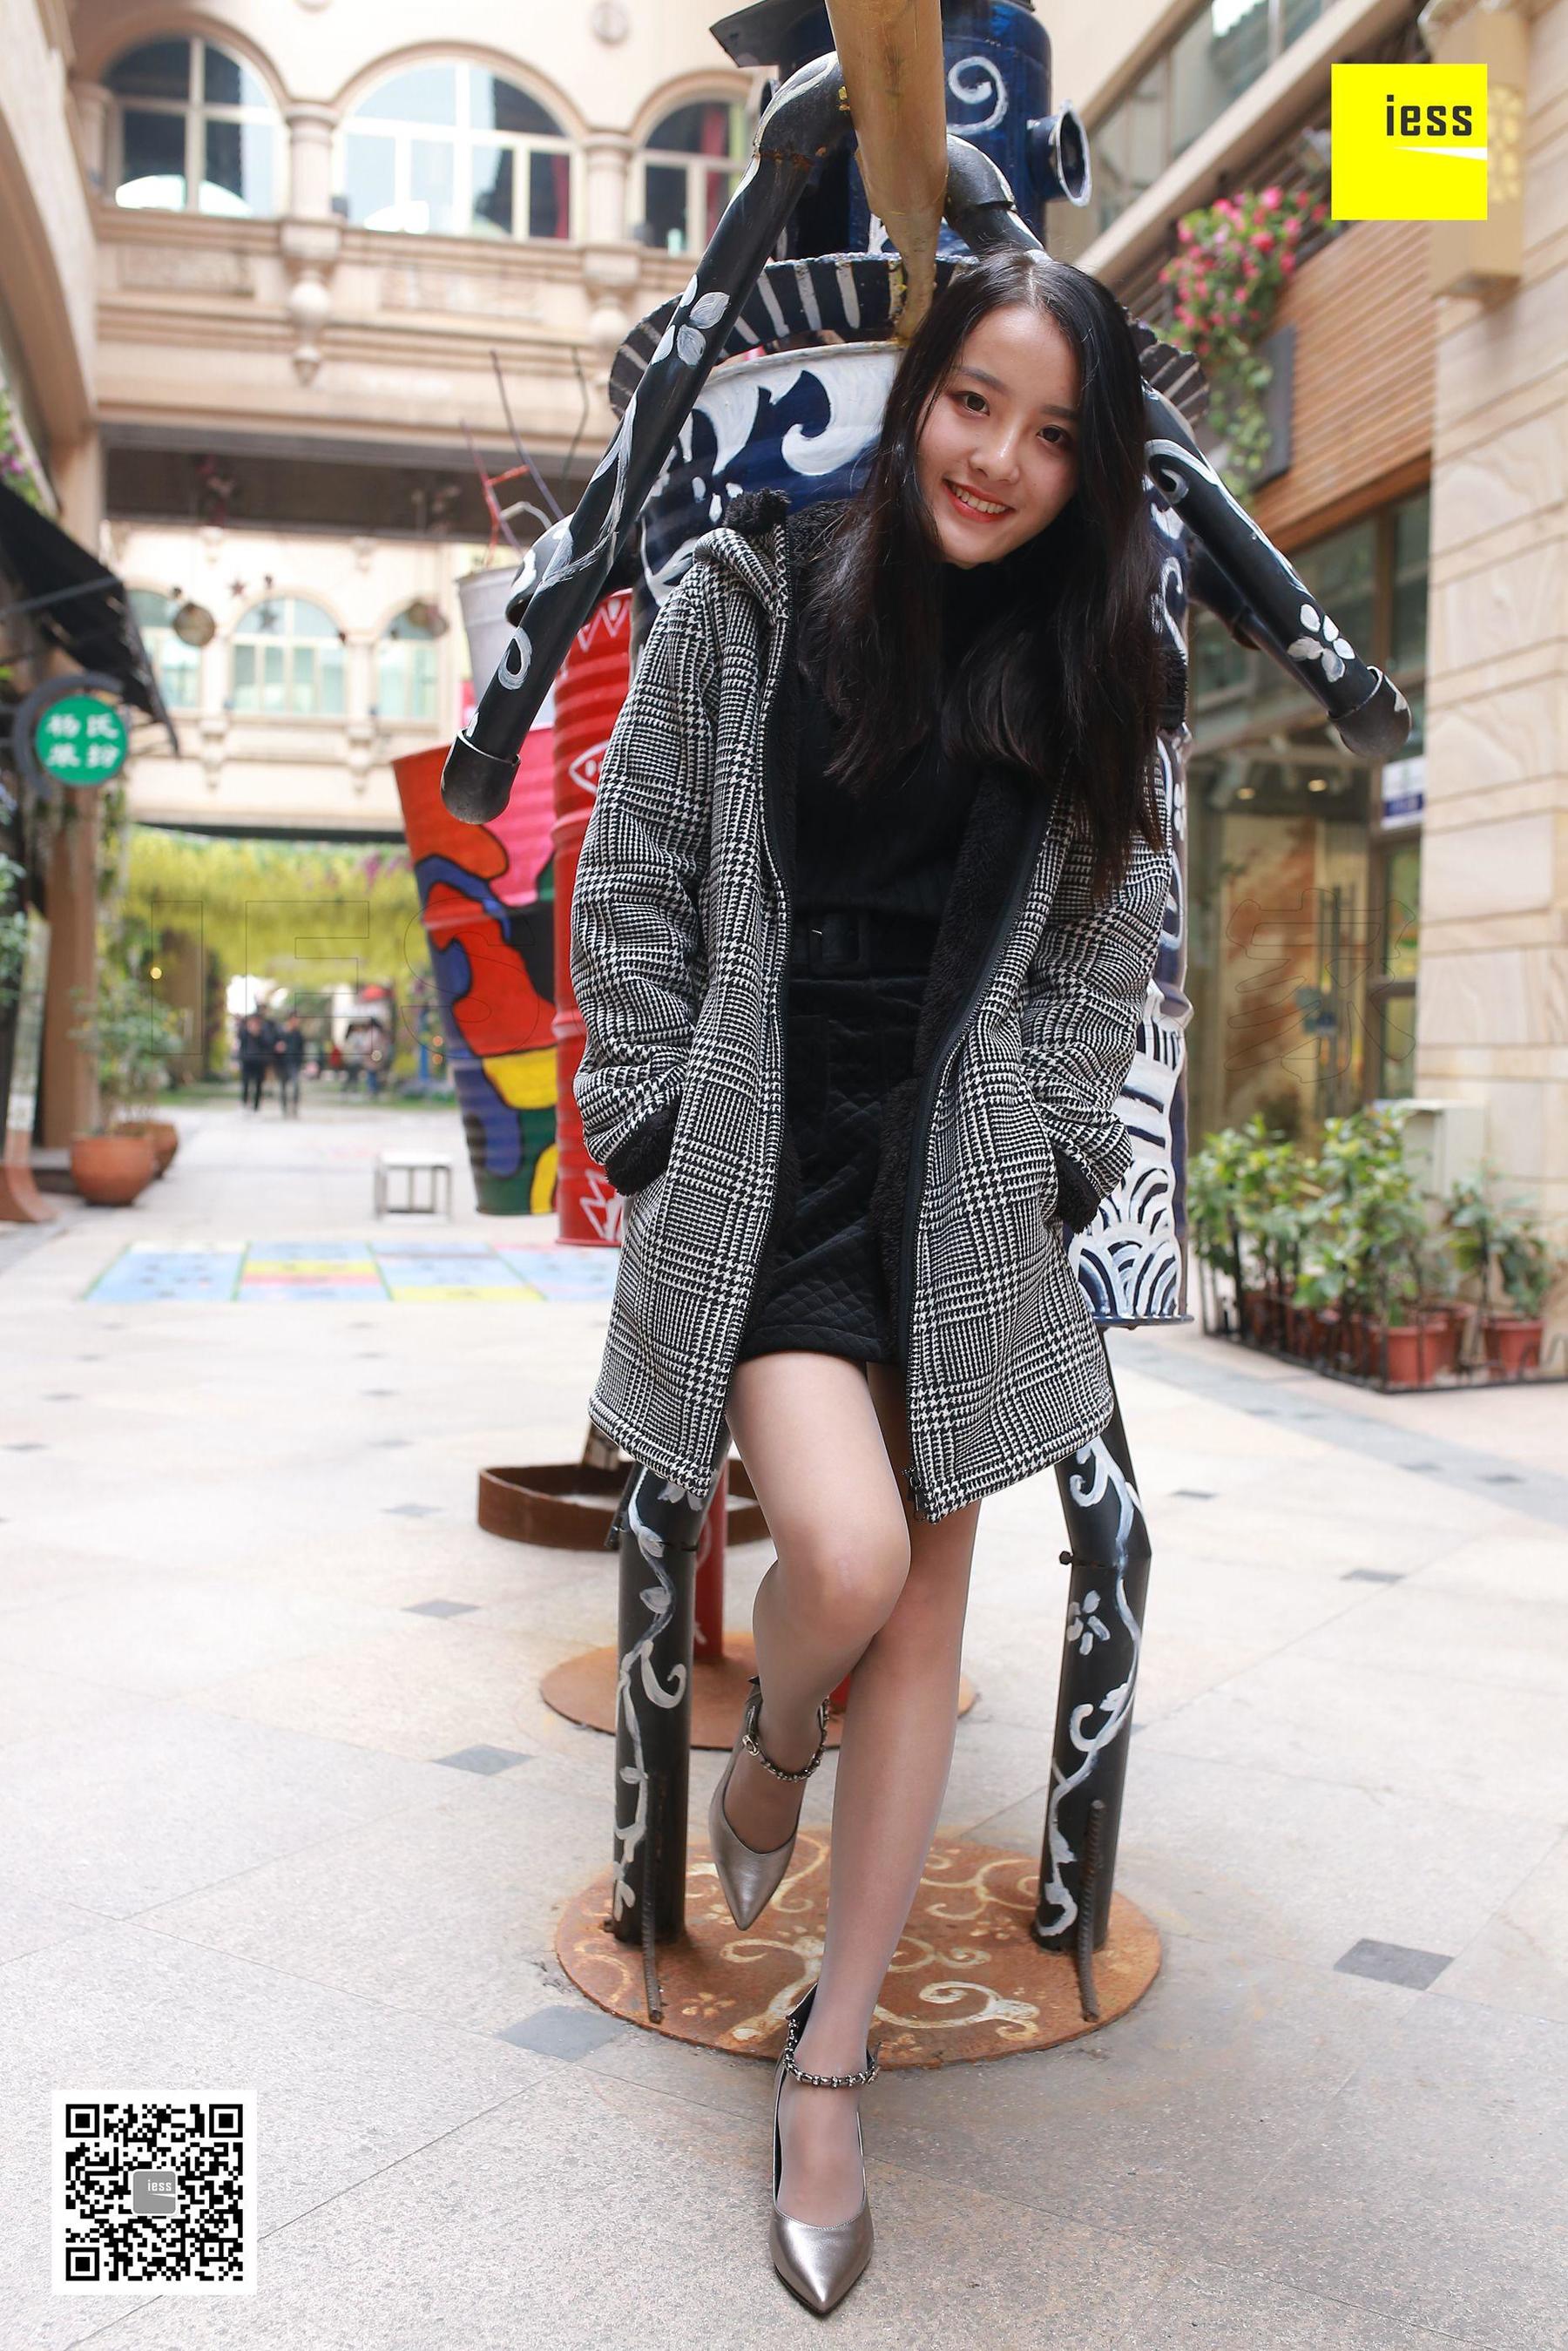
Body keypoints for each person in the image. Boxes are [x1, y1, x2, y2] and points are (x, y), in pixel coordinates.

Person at [569, 249, 1179, 2315]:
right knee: (836, 1551)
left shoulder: (1102, 668)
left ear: (1091, 472)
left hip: (962, 1181)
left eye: (1053, 434)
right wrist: (655, 1121)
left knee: (927, 1601)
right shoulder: (749, 600)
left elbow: (1101, 957)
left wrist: (1055, 1154)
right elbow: (633, 877)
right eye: (973, 401)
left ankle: (828, 2069)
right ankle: (769, 1745)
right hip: (768, 1151)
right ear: (916, 397)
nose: (998, 457)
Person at [275, 1011, 305, 1116]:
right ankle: (284, 1109)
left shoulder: (298, 1034)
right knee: (283, 1087)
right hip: (282, 1063)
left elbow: (301, 1049)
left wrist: (300, 1062)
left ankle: (294, 1107)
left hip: (294, 1064)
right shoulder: (280, 1032)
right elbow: (274, 1044)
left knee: (296, 1085)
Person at [237, 1012, 268, 1111]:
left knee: (258, 1084)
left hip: (259, 1062)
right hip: (247, 1062)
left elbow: (268, 1044)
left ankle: (256, 1106)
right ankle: (244, 1103)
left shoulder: (263, 1032)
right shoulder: (244, 1032)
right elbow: (240, 1042)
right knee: (245, 1083)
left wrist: (258, 1035)